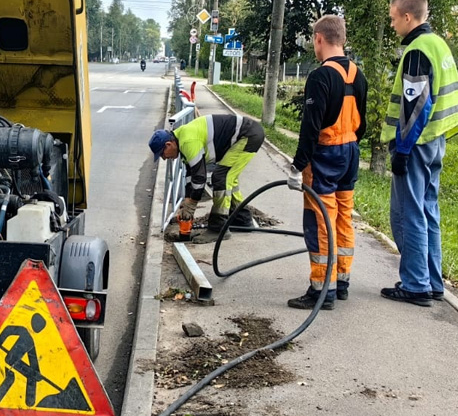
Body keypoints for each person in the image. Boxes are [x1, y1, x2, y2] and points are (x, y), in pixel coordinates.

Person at [380, 0, 458, 307]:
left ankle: (415, 284)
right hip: (436, 140)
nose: (392, 25)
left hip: (415, 143)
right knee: (429, 210)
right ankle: (432, 281)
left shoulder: (418, 51)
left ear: (407, 16)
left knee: (408, 212)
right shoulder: (438, 44)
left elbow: (416, 106)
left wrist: (402, 150)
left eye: (393, 19)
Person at [285, 15, 367, 310]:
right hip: (350, 153)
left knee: (321, 219)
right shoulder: (358, 74)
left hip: (325, 156)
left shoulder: (320, 77)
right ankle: (341, 281)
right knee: (344, 216)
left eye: (313, 40)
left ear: (319, 38)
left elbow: (310, 127)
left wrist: (297, 166)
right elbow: (363, 124)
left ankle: (322, 290)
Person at [149, 113, 265, 244]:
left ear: (169, 144)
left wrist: (191, 205)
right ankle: (242, 219)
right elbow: (190, 176)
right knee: (230, 179)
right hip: (248, 133)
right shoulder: (181, 139)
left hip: (247, 135)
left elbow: (199, 177)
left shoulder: (187, 141)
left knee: (222, 177)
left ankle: (218, 228)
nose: (165, 158)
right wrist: (187, 203)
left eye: (162, 154)